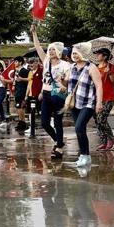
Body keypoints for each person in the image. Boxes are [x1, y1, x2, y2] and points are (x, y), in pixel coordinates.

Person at [30, 24, 69, 159]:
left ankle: (59, 148)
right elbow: (38, 47)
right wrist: (34, 33)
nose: (51, 51)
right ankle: (59, 142)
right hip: (46, 95)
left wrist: (64, 81)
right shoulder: (46, 61)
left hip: (58, 95)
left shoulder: (65, 65)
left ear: (58, 51)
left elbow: (68, 81)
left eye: (53, 49)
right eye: (50, 49)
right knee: (45, 123)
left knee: (58, 122)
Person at [68, 42, 104, 167]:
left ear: (82, 54)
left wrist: (99, 102)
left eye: (76, 53)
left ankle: (85, 155)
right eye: (73, 53)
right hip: (74, 103)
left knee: (79, 127)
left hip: (88, 103)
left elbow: (99, 86)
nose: (74, 56)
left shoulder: (91, 67)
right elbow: (68, 84)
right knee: (79, 130)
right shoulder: (72, 67)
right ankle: (84, 156)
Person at [94, 48, 114, 151]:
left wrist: (109, 73)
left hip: (109, 97)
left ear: (104, 56)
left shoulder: (112, 67)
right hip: (97, 97)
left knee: (101, 119)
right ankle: (104, 141)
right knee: (97, 120)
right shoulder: (95, 68)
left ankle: (111, 139)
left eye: (99, 54)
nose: (97, 56)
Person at [25, 56, 43, 137]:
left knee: (40, 110)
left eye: (32, 63)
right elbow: (29, 84)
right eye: (30, 64)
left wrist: (41, 93)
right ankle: (32, 126)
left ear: (36, 63)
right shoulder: (30, 72)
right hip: (31, 94)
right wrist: (26, 94)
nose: (31, 65)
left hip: (38, 94)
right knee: (29, 110)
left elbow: (44, 83)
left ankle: (50, 123)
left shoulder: (41, 70)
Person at [13, 56, 30, 131]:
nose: (15, 63)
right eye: (14, 61)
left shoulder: (24, 71)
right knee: (18, 107)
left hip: (22, 91)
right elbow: (15, 80)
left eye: (16, 61)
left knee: (21, 107)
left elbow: (30, 79)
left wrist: (21, 79)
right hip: (17, 90)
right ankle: (20, 122)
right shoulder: (16, 71)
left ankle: (23, 123)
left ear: (20, 62)